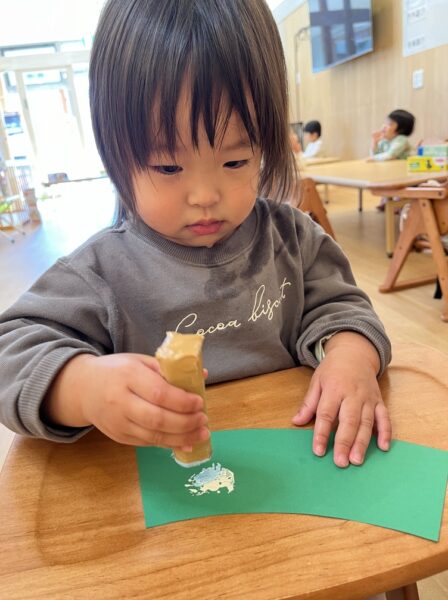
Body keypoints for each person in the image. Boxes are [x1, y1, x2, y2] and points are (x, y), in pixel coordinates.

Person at [0, 0, 391, 469]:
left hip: (295, 463)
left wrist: (350, 357)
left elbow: (342, 308)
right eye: (168, 166)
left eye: (235, 161)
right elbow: (11, 353)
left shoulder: (293, 240)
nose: (206, 196)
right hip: (155, 485)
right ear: (114, 153)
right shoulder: (101, 272)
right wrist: (83, 388)